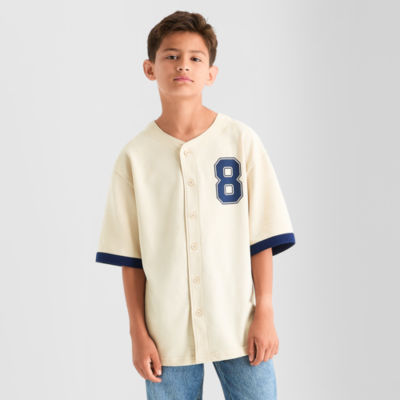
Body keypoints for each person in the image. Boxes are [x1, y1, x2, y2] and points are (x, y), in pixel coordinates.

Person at [95, 10, 296, 400]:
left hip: (238, 324)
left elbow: (262, 237)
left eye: (195, 58)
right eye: (171, 56)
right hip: (166, 334)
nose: (182, 65)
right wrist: (137, 332)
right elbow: (130, 257)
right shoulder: (135, 157)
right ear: (150, 68)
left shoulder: (241, 141)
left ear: (211, 73)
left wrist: (265, 311)